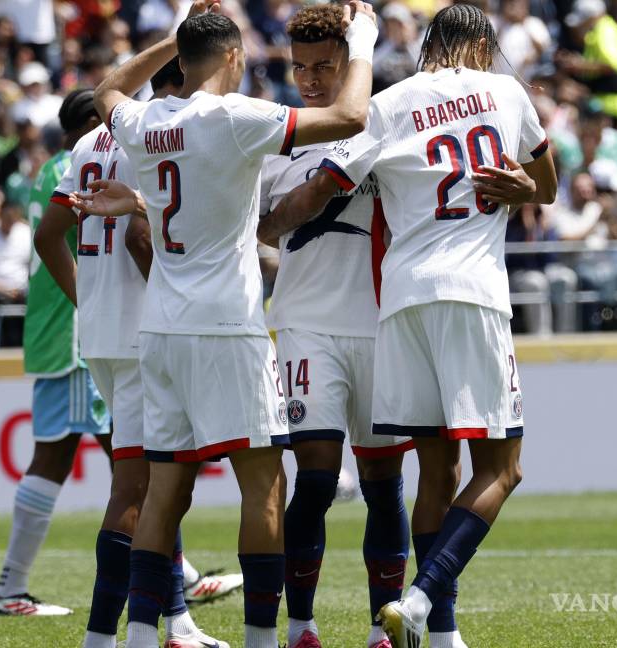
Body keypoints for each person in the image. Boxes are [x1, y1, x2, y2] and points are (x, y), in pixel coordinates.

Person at [86, 3, 378, 646]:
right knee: (264, 487)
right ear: (234, 58)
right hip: (226, 328)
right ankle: (260, 640)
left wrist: (173, 38)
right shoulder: (236, 117)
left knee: (166, 489)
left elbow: (104, 89)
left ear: (182, 57)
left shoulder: (142, 121)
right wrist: (362, 42)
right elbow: (352, 116)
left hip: (159, 328)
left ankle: (140, 638)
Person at [310, 5, 557, 646]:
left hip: (402, 298)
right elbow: (549, 185)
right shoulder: (505, 91)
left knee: (436, 472)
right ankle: (421, 600)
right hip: (473, 293)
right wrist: (521, 188)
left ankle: (442, 635)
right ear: (480, 43)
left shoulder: (392, 103)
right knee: (503, 469)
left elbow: (331, 180)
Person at [37, 60, 235, 648]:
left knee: (159, 482)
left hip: (101, 331)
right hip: (148, 331)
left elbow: (50, 235)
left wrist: (86, 299)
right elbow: (142, 234)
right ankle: (101, 636)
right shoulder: (154, 134)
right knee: (136, 489)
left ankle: (175, 622)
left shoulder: (89, 143)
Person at [254, 6, 411, 647]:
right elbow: (261, 230)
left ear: (352, 63)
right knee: (316, 480)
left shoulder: (388, 125)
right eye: (301, 67)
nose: (311, 80)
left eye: (325, 66)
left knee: (382, 485)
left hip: (380, 325)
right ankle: (302, 627)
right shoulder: (271, 139)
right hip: (305, 326)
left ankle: (383, 629)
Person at [0, 90, 108, 619]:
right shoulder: (83, 162)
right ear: (90, 123)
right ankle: (9, 588)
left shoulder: (47, 169)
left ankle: (10, 587)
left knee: (82, 456)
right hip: (77, 334)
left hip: (60, 331)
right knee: (132, 453)